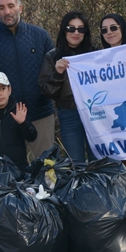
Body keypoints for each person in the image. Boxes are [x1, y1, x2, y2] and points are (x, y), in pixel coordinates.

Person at [0, 0, 55, 158]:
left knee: (48, 167)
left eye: (11, 6)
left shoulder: (40, 36)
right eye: (1, 8)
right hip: (6, 118)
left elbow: (54, 73)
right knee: (10, 171)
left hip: (40, 113)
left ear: (20, 8)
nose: (7, 12)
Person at [40, 12, 94, 163]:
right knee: (75, 161)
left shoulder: (95, 55)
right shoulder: (52, 56)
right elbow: (46, 90)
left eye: (81, 29)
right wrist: (57, 74)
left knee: (99, 160)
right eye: (71, 28)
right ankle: (79, 188)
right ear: (64, 30)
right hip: (68, 113)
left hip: (95, 113)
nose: (76, 33)